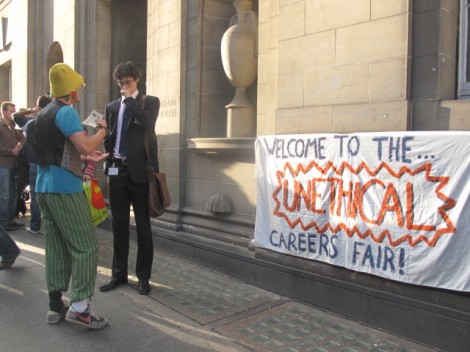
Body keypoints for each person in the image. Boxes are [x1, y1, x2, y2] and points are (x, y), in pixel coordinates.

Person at [33, 63, 109, 329]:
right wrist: (102, 131)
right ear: (71, 89)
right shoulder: (66, 112)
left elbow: (58, 150)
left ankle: (55, 307)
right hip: (65, 187)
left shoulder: (43, 113)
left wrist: (87, 155)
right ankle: (80, 307)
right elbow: (85, 143)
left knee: (56, 247)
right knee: (85, 246)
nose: (79, 91)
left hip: (43, 186)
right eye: (77, 86)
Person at [100, 61, 160, 295]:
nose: (124, 86)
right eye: (121, 83)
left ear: (137, 80)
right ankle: (118, 275)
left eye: (128, 82)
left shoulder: (149, 102)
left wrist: (131, 101)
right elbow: (111, 136)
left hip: (140, 173)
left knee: (143, 227)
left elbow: (149, 123)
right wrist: (106, 158)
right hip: (117, 171)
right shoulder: (112, 106)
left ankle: (143, 277)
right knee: (119, 226)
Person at [13, 95, 52, 234]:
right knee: (51, 195)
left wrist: (31, 110)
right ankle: (51, 226)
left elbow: (15, 116)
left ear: (39, 107)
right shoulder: (54, 122)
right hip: (51, 163)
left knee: (36, 195)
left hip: (35, 163)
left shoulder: (31, 123)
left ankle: (35, 226)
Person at [0, 101, 26, 231]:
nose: (13, 114)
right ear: (4, 112)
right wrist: (11, 151)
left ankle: (10, 220)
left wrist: (19, 146)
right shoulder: (0, 126)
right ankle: (4, 222)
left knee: (13, 194)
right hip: (3, 165)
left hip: (13, 165)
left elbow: (24, 138)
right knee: (5, 194)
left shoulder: (13, 127)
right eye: (11, 111)